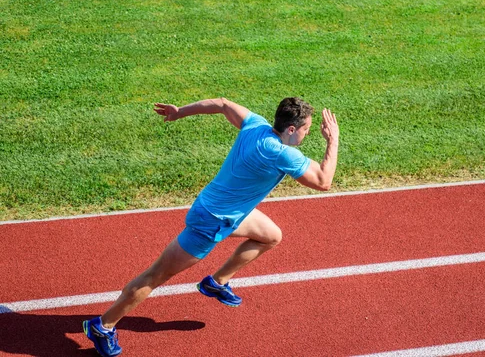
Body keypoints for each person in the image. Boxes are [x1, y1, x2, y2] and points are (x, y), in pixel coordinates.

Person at [83, 97, 339, 357]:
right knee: (154, 276)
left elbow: (222, 103)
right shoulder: (282, 153)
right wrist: (333, 140)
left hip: (228, 213)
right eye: (307, 129)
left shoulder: (255, 125)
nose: (309, 134)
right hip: (211, 222)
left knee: (271, 236)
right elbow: (323, 180)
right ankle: (103, 326)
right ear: (292, 129)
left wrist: (180, 111)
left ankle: (217, 282)